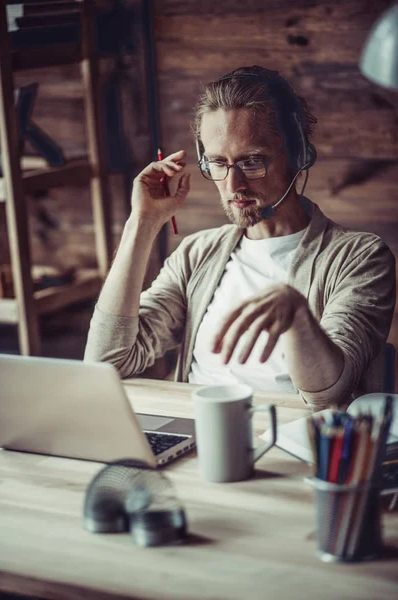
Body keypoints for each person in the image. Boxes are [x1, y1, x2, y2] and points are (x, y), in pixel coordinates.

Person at [84, 66, 395, 410]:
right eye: (217, 163)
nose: (233, 187)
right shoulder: (197, 253)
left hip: (290, 444)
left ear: (298, 155)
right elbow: (107, 361)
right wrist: (141, 223)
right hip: (200, 432)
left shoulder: (360, 257)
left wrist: (298, 318)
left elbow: (327, 394)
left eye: (252, 161)